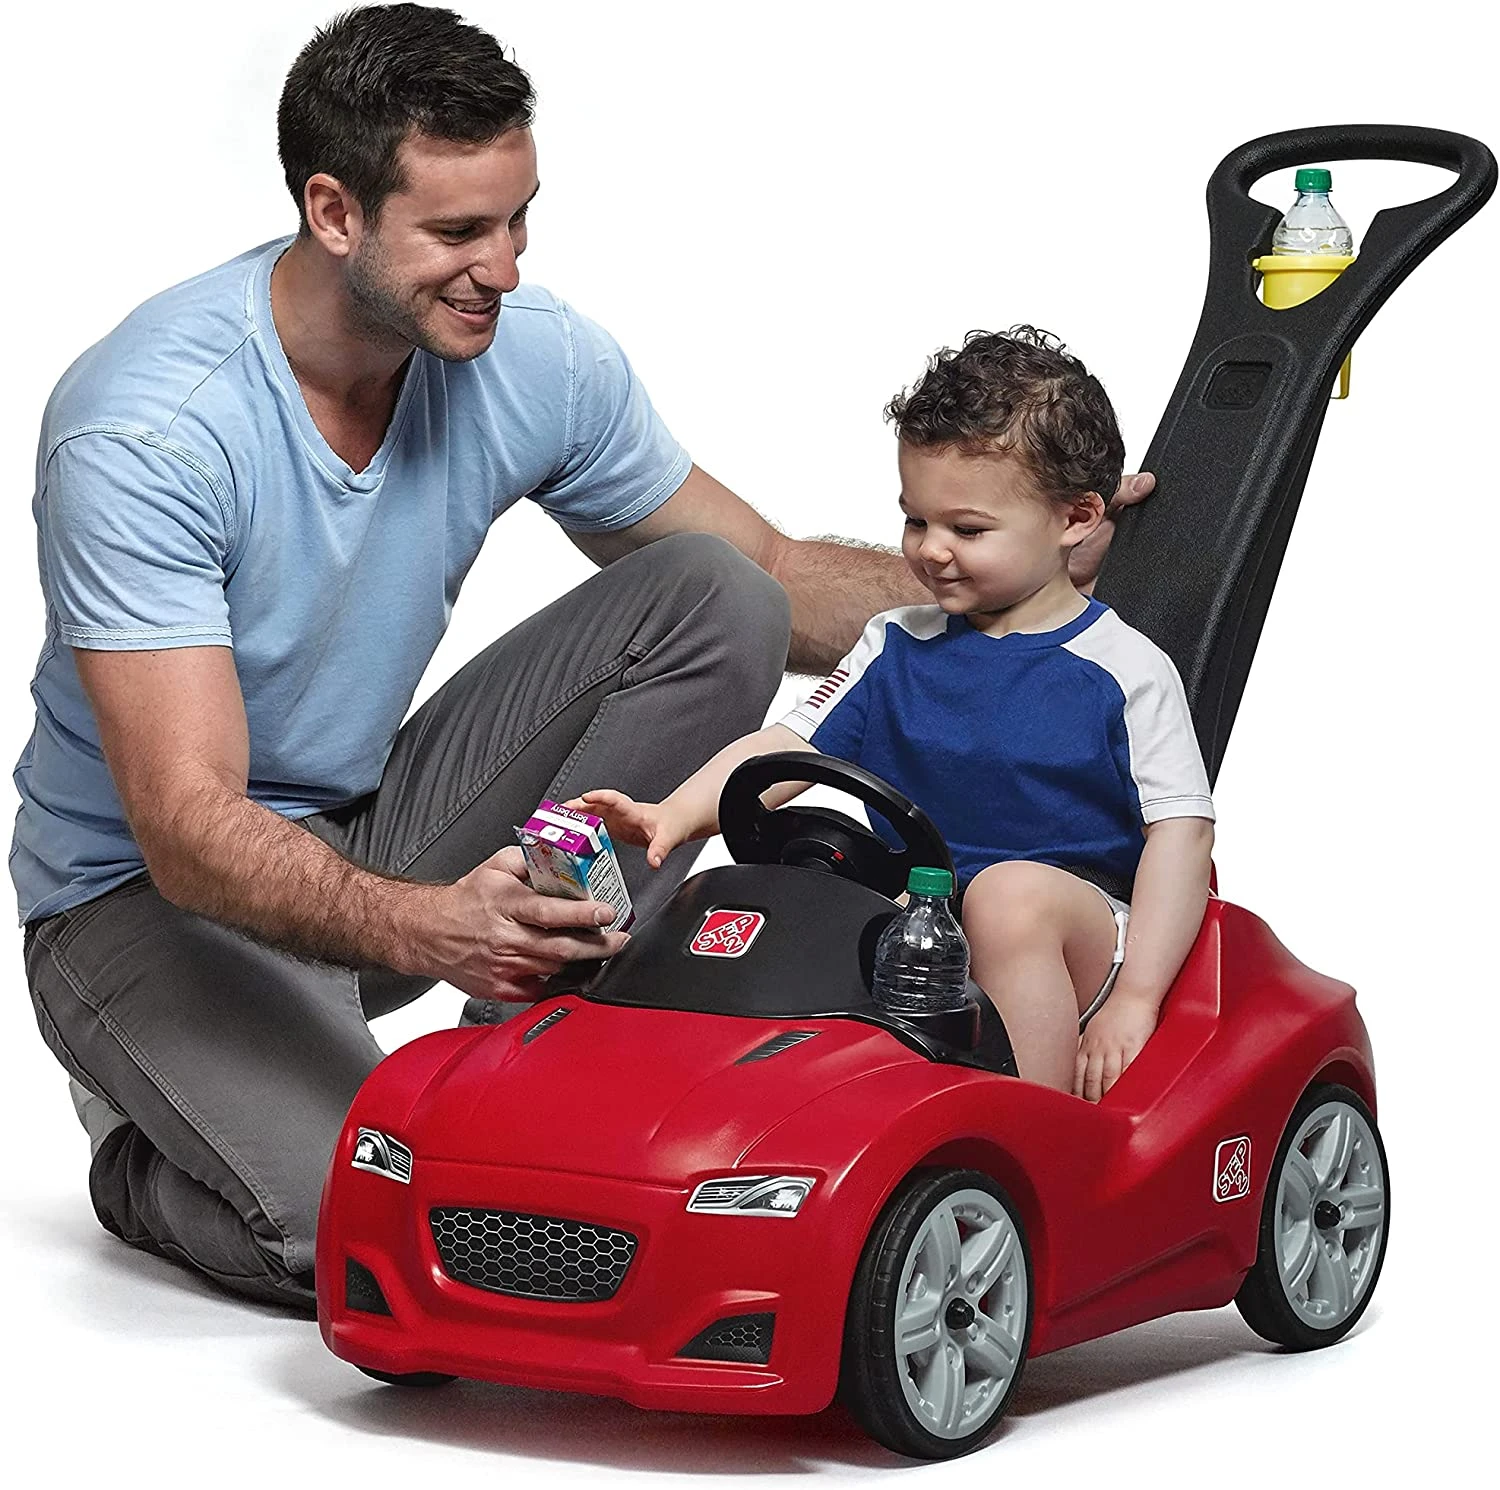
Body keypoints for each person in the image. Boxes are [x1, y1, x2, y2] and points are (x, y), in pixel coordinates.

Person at [12, 5, 1150, 1311]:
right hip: (143, 901)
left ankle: (535, 1032)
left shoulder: (528, 356)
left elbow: (775, 574)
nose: (500, 268)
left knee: (714, 593)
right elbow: (186, 825)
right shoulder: (151, 432)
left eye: (519, 219)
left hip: (375, 831)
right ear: (333, 212)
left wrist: (1028, 571)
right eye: (458, 232)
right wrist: (430, 925)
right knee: (372, 1227)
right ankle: (142, 1156)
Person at [579, 328, 1211, 1099]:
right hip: (924, 919)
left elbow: (1182, 834)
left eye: (967, 530)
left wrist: (1137, 998)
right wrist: (673, 814)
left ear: (1076, 518)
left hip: (1078, 931)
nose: (932, 550)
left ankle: (1035, 1120)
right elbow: (786, 748)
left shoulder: (1126, 670)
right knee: (770, 899)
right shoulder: (894, 645)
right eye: (917, 521)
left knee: (1006, 899)